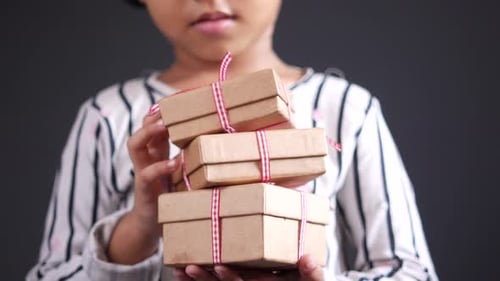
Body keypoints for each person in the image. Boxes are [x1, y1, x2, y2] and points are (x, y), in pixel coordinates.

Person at [26, 0, 438, 280]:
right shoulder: (108, 116)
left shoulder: (346, 108)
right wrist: (141, 227)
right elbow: (50, 274)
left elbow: (412, 271)